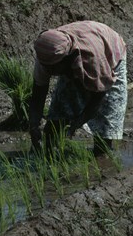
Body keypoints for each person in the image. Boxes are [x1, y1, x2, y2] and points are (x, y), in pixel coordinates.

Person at [29, 20, 127, 157]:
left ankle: (102, 152)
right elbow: (38, 94)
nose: (50, 71)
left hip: (108, 49)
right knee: (61, 105)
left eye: (54, 68)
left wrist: (77, 123)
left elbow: (99, 96)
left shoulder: (93, 58)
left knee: (108, 110)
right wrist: (33, 124)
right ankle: (49, 151)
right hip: (81, 42)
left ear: (66, 59)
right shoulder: (47, 56)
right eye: (48, 68)